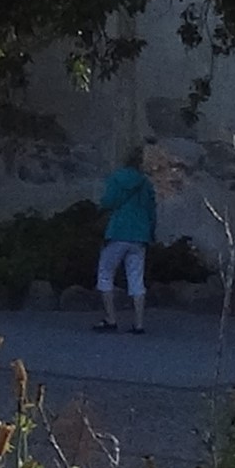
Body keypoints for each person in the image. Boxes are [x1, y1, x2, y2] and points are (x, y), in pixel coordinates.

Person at [94, 141, 160, 334]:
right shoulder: (146, 184)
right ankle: (138, 323)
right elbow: (151, 211)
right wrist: (151, 233)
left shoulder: (116, 178)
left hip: (118, 231)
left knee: (105, 273)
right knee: (136, 279)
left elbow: (108, 201)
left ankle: (110, 318)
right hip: (139, 235)